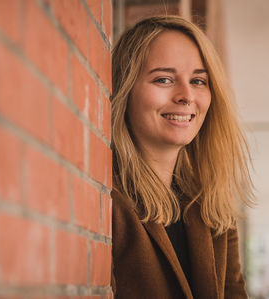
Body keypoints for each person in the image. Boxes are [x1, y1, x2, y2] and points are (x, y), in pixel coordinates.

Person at [110, 15, 254, 298]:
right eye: (163, 79)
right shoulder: (107, 201)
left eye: (198, 81)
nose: (187, 96)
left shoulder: (212, 207)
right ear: (125, 90)